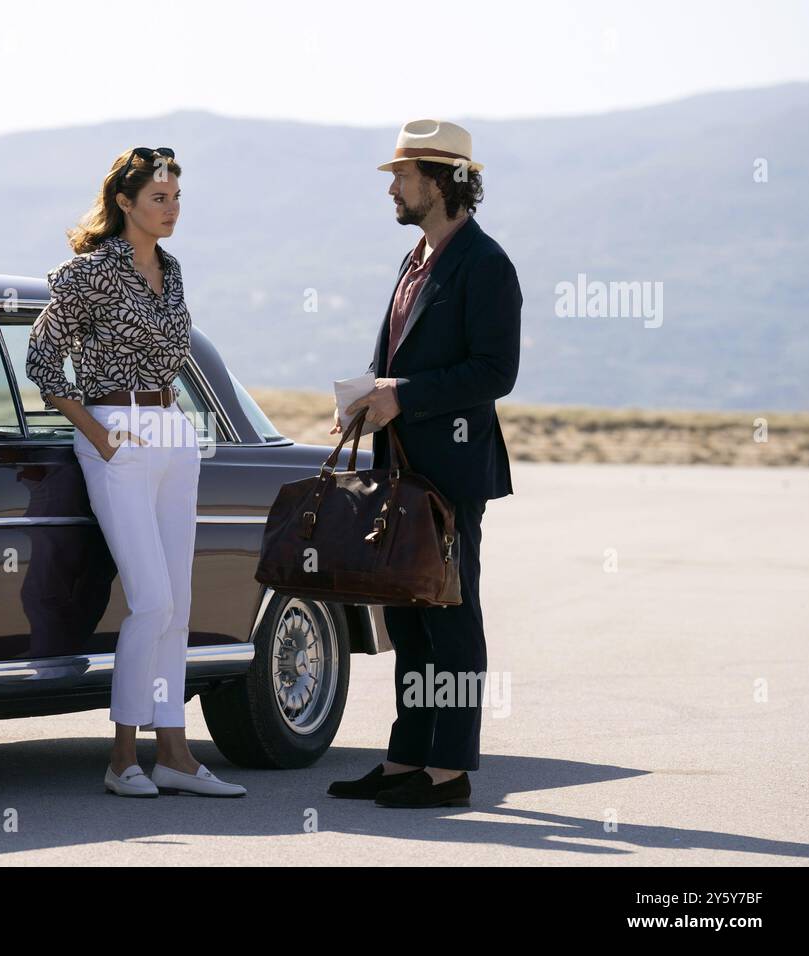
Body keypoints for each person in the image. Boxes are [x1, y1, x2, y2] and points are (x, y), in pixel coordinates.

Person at [25, 146, 246, 798]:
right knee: (150, 601)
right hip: (115, 433)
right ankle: (122, 757)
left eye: (176, 197)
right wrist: (97, 432)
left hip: (173, 434)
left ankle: (174, 754)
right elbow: (43, 364)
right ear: (125, 202)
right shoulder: (88, 274)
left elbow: (170, 359)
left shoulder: (172, 272)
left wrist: (173, 428)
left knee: (177, 606)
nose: (171, 208)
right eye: (158, 197)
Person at [328, 119, 521, 808]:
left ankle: (451, 769)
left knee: (451, 617)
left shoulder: (486, 264)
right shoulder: (416, 260)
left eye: (402, 176)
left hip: (451, 473)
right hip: (400, 470)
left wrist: (401, 395)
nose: (393, 188)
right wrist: (368, 399)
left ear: (440, 181)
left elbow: (496, 371)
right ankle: (408, 757)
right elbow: (405, 363)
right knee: (407, 619)